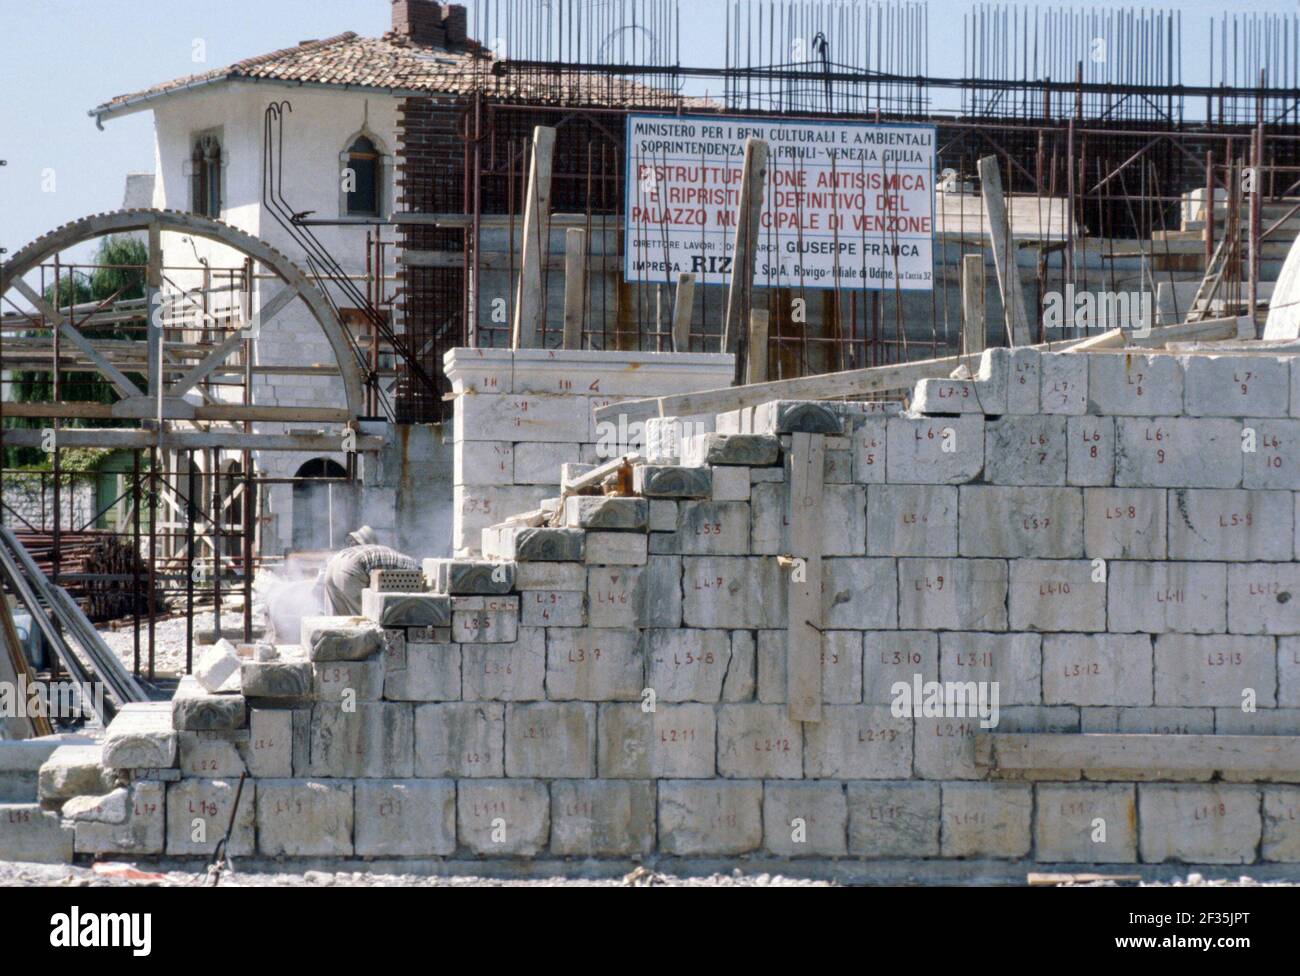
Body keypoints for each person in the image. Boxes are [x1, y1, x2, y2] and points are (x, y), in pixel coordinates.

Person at [319, 525, 418, 615]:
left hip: (334, 563)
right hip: (350, 567)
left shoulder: (368, 552)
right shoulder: (412, 565)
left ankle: (333, 635)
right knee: (369, 617)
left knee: (337, 619)